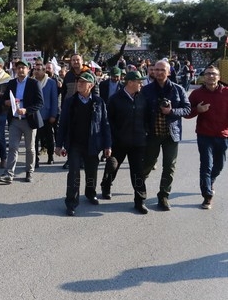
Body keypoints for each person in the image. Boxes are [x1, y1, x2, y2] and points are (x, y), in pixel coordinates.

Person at [55, 72, 112, 216]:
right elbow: (63, 124)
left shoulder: (99, 102)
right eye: (78, 81)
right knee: (73, 173)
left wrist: (107, 145)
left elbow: (105, 124)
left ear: (91, 85)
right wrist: (59, 144)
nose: (79, 83)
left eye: (83, 82)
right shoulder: (70, 101)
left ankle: (90, 193)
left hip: (93, 143)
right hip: (74, 144)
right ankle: (71, 203)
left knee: (91, 171)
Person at [141, 60, 191, 211]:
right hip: (152, 134)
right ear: (153, 72)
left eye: (162, 70)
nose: (159, 72)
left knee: (169, 167)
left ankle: (163, 196)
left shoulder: (178, 89)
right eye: (156, 70)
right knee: (148, 163)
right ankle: (140, 192)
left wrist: (172, 112)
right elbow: (140, 111)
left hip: (171, 134)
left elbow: (187, 109)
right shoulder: (146, 90)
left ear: (169, 72)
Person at [100, 71, 149, 214]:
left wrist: (145, 131)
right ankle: (106, 186)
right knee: (112, 167)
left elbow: (147, 118)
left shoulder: (142, 98)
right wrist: (112, 139)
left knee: (138, 172)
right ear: (130, 82)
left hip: (138, 142)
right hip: (119, 142)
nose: (141, 84)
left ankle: (140, 200)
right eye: (139, 81)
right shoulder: (115, 99)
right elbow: (109, 121)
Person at [185, 65, 228, 209]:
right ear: (204, 77)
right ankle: (207, 196)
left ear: (219, 77)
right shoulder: (197, 94)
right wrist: (198, 110)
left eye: (214, 74)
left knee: (219, 165)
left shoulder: (226, 92)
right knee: (206, 166)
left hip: (222, 135)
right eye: (208, 74)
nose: (211, 76)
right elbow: (186, 113)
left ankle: (210, 181)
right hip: (204, 135)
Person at [0, 60, 44, 184]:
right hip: (14, 120)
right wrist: (5, 102)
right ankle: (8, 174)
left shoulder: (34, 83)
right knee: (12, 147)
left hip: (29, 120)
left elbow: (40, 103)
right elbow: (5, 99)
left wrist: (26, 110)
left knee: (30, 149)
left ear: (28, 69)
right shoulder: (11, 83)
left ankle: (29, 172)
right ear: (15, 70)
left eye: (23, 68)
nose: (21, 70)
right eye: (18, 68)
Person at [33, 59, 58, 167]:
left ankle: (50, 156)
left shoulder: (51, 82)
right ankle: (36, 159)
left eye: (39, 70)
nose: (37, 72)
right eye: (35, 69)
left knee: (49, 137)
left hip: (47, 115)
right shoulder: (32, 82)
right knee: (35, 139)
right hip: (34, 115)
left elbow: (54, 100)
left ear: (44, 71)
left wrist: (53, 114)